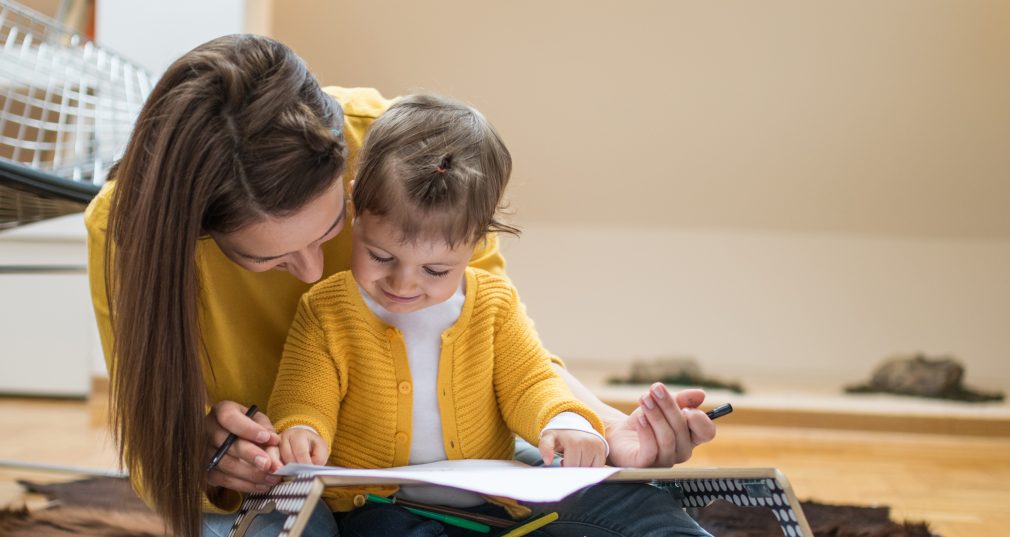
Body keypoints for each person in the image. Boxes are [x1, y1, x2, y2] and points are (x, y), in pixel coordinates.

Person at [86, 35, 715, 537]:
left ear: (353, 181)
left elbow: (508, 357)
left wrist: (609, 430)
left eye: (333, 228)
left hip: (468, 468)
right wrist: (204, 446)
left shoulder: (413, 159)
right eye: (266, 259)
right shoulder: (128, 232)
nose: (313, 273)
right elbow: (154, 447)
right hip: (295, 484)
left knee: (638, 515)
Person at [270, 94, 710, 536]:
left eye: (435, 270)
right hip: (380, 508)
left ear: (476, 242)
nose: (403, 285)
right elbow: (304, 395)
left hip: (494, 504)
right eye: (381, 257)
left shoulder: (493, 305)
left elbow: (531, 381)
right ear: (355, 208)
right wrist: (303, 429)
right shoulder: (326, 311)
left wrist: (565, 422)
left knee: (646, 510)